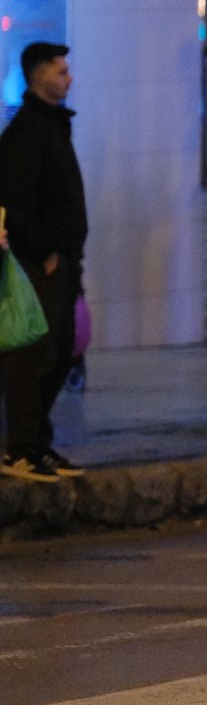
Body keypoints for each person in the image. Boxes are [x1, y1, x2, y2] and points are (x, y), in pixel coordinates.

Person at [0, 42, 87, 484]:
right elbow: (16, 201)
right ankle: (20, 448)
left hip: (65, 260)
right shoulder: (29, 130)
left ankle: (38, 442)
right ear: (38, 76)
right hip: (41, 264)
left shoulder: (52, 125)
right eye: (61, 71)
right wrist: (45, 251)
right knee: (33, 356)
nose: (68, 78)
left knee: (61, 353)